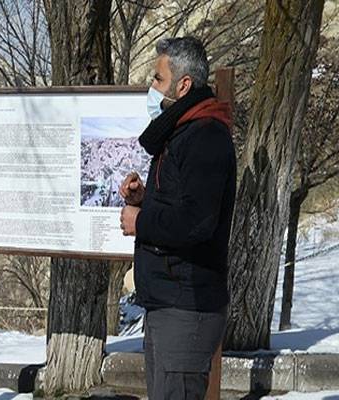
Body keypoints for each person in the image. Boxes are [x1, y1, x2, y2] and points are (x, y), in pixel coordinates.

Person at [119, 36, 237, 400]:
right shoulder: (183, 133)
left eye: (158, 79)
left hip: (186, 307)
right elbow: (180, 205)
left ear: (183, 85)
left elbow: (197, 222)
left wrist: (141, 221)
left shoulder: (205, 137)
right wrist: (144, 200)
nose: (152, 88)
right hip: (167, 303)